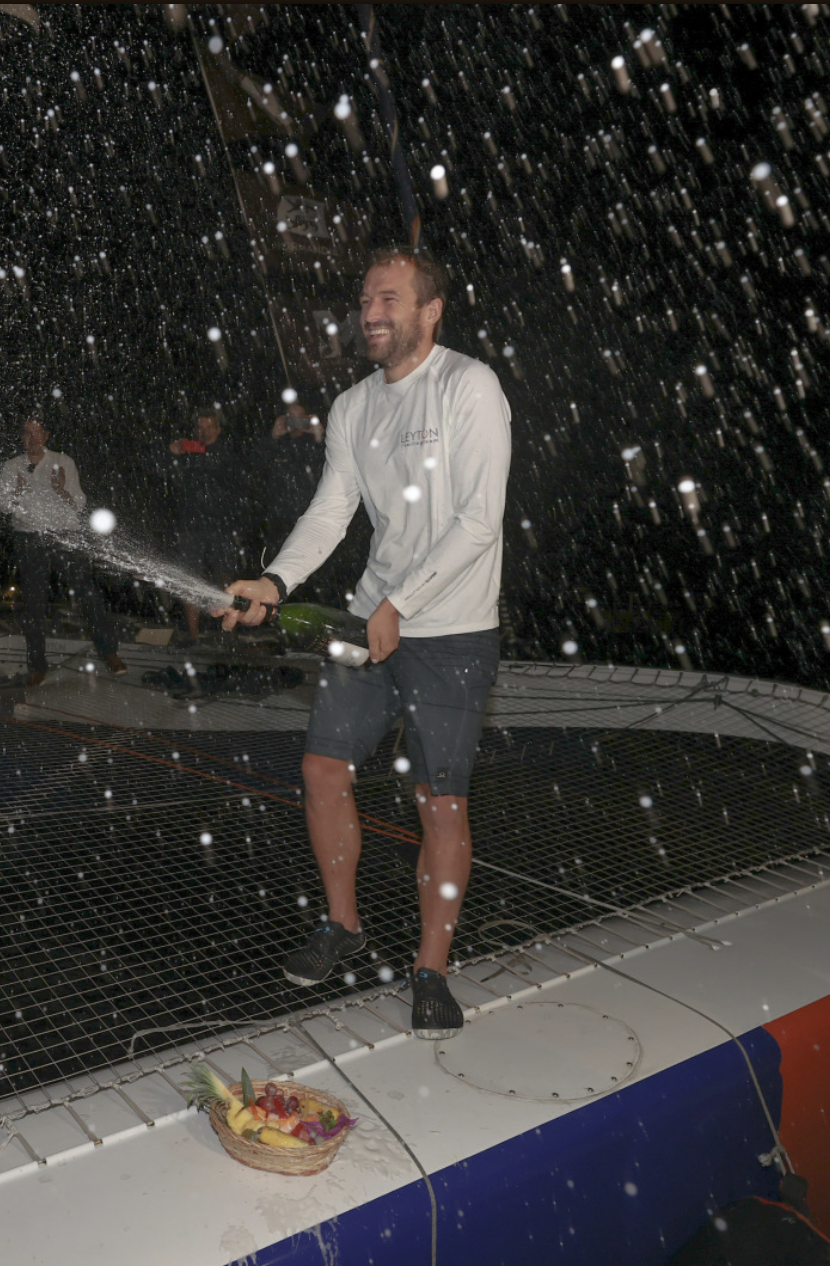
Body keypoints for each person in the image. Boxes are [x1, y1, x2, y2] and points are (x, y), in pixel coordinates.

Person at [219, 246, 510, 1041]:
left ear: (430, 309)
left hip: (451, 630)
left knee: (440, 804)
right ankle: (344, 925)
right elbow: (330, 512)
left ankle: (430, 970)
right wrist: (274, 583)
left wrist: (404, 604)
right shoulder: (352, 407)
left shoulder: (467, 385)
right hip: (369, 619)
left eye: (388, 298)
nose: (370, 312)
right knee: (321, 769)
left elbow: (480, 519)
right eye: (364, 299)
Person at [0, 414, 127, 686]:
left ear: (46, 436)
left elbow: (79, 505)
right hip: (29, 538)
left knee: (87, 593)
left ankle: (110, 653)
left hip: (64, 536)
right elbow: (3, 506)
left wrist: (60, 490)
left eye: (37, 433)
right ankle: (37, 665)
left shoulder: (63, 461)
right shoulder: (12, 467)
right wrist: (19, 493)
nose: (32, 438)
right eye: (27, 433)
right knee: (34, 603)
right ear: (22, 437)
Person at [168, 405, 247, 643]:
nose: (204, 432)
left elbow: (231, 476)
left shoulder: (227, 451)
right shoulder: (188, 453)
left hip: (221, 525)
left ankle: (229, 633)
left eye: (209, 427)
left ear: (218, 428)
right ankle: (194, 636)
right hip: (190, 526)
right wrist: (172, 452)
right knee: (190, 579)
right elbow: (162, 473)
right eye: (199, 428)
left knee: (226, 580)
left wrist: (195, 449)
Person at [259, 400, 325, 567]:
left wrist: (320, 434)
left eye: (300, 418)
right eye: (291, 418)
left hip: (311, 511)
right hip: (282, 515)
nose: (296, 423)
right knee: (283, 560)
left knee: (314, 561)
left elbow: (332, 462)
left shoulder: (316, 443)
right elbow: (258, 465)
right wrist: (273, 435)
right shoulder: (279, 443)